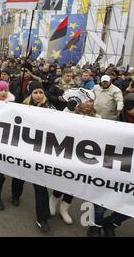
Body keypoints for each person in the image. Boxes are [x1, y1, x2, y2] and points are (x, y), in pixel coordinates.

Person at [87, 93, 134, 237]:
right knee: (101, 201)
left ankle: (111, 223)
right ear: (128, 108)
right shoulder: (112, 123)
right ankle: (95, 226)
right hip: (111, 169)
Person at [49, 88, 99, 225]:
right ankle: (54, 199)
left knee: (75, 184)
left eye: (91, 101)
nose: (89, 104)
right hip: (68, 154)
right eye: (86, 100)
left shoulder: (98, 118)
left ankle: (64, 208)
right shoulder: (70, 112)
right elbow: (60, 125)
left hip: (84, 157)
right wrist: (68, 109)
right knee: (63, 179)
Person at [11, 81, 53, 233]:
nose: (38, 95)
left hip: (41, 153)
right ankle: (15, 195)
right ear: (30, 94)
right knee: (18, 177)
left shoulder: (51, 108)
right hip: (23, 150)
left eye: (41, 92)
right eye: (35, 92)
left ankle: (42, 218)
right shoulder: (23, 107)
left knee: (41, 186)